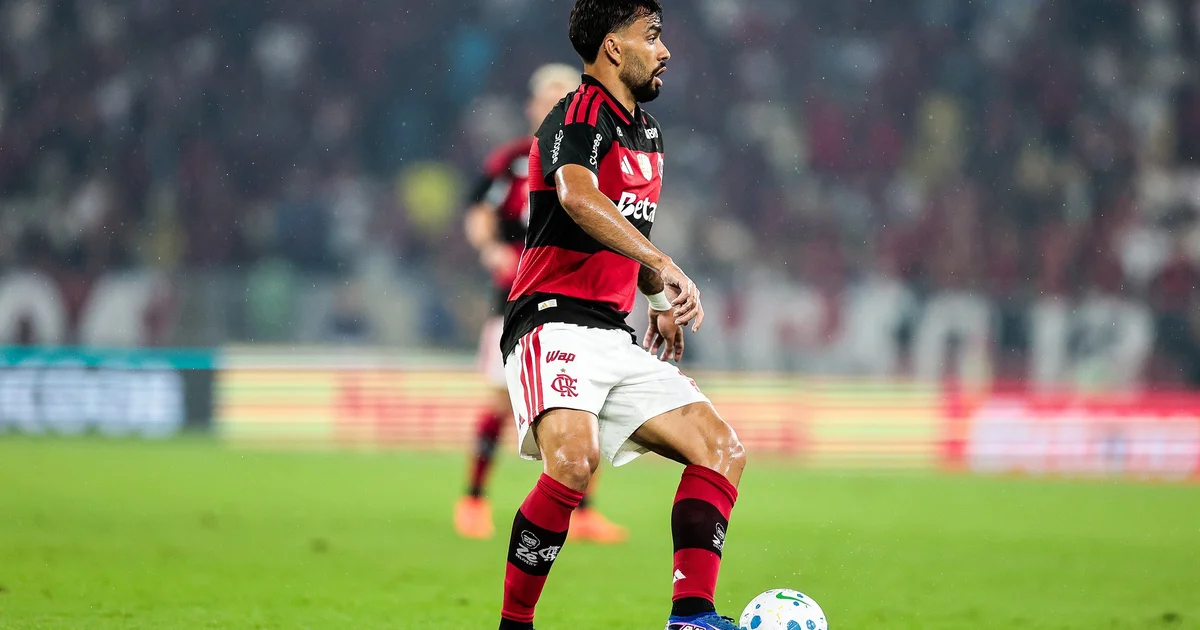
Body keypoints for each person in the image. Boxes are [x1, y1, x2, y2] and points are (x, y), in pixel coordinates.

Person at [495, 2, 746, 629]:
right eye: (652, 37)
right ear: (613, 47)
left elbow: (626, 228)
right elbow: (579, 197)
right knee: (575, 463)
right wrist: (664, 263)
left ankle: (692, 616)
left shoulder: (647, 132)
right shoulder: (576, 115)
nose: (664, 51)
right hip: (550, 321)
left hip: (614, 331)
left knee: (722, 449)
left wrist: (658, 298)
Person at [456, 63, 628, 544]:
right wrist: (491, 250)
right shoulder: (512, 160)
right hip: (516, 300)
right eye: (549, 97)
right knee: (497, 397)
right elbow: (478, 210)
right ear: (533, 105)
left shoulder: (597, 159)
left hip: (579, 304)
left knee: (586, 402)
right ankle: (472, 499)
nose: (557, 105)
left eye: (566, 97)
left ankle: (586, 511)